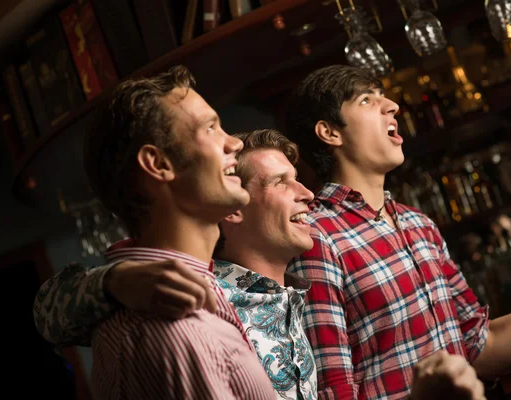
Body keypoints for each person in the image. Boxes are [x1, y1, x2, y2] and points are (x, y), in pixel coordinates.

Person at [35, 127, 485, 400]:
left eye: (299, 180)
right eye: (281, 182)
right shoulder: (198, 296)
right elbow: (49, 312)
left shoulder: (305, 300)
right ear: (233, 206)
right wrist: (114, 281)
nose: (308, 194)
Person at [283, 64, 511, 399]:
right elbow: (335, 391)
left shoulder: (418, 225)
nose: (391, 106)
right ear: (330, 132)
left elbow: (479, 348)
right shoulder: (315, 237)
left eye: (383, 96)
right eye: (366, 101)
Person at [74, 65, 275, 399]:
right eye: (211, 128)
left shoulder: (194, 298)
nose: (234, 143)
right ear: (158, 164)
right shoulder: (174, 324)